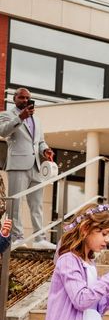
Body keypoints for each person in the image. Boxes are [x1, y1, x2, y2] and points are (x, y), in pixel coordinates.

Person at [0, 88, 56, 249]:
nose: (25, 100)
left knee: (36, 205)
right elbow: (3, 132)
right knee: (15, 204)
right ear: (14, 98)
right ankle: (17, 237)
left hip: (35, 166)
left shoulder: (36, 120)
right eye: (21, 97)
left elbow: (40, 141)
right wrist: (19, 118)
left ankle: (40, 239)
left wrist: (45, 150)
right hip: (17, 165)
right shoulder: (6, 114)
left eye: (27, 98)